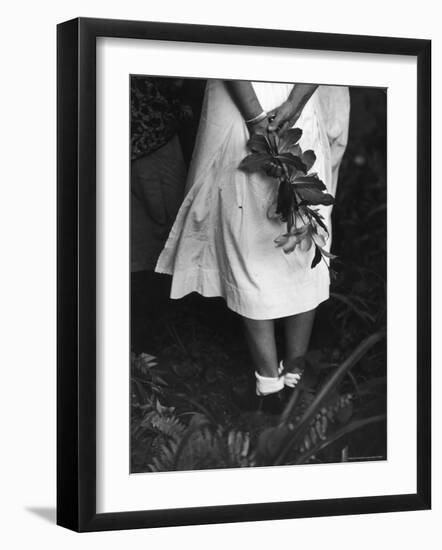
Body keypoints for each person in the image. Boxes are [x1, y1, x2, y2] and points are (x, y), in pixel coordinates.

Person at [155, 79, 350, 413]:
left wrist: (281, 110)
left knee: (291, 235)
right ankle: (280, 381)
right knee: (260, 236)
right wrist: (273, 113)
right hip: (258, 103)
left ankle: (282, 380)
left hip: (276, 104)